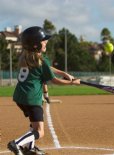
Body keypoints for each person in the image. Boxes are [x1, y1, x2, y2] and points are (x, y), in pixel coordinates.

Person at [7, 26, 80, 155]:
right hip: (32, 99)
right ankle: (16, 143)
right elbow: (54, 81)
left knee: (34, 124)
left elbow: (47, 67)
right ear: (35, 45)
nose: (46, 42)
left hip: (20, 97)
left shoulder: (25, 57)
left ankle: (29, 148)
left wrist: (63, 73)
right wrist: (72, 82)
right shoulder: (41, 61)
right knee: (40, 131)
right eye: (43, 40)